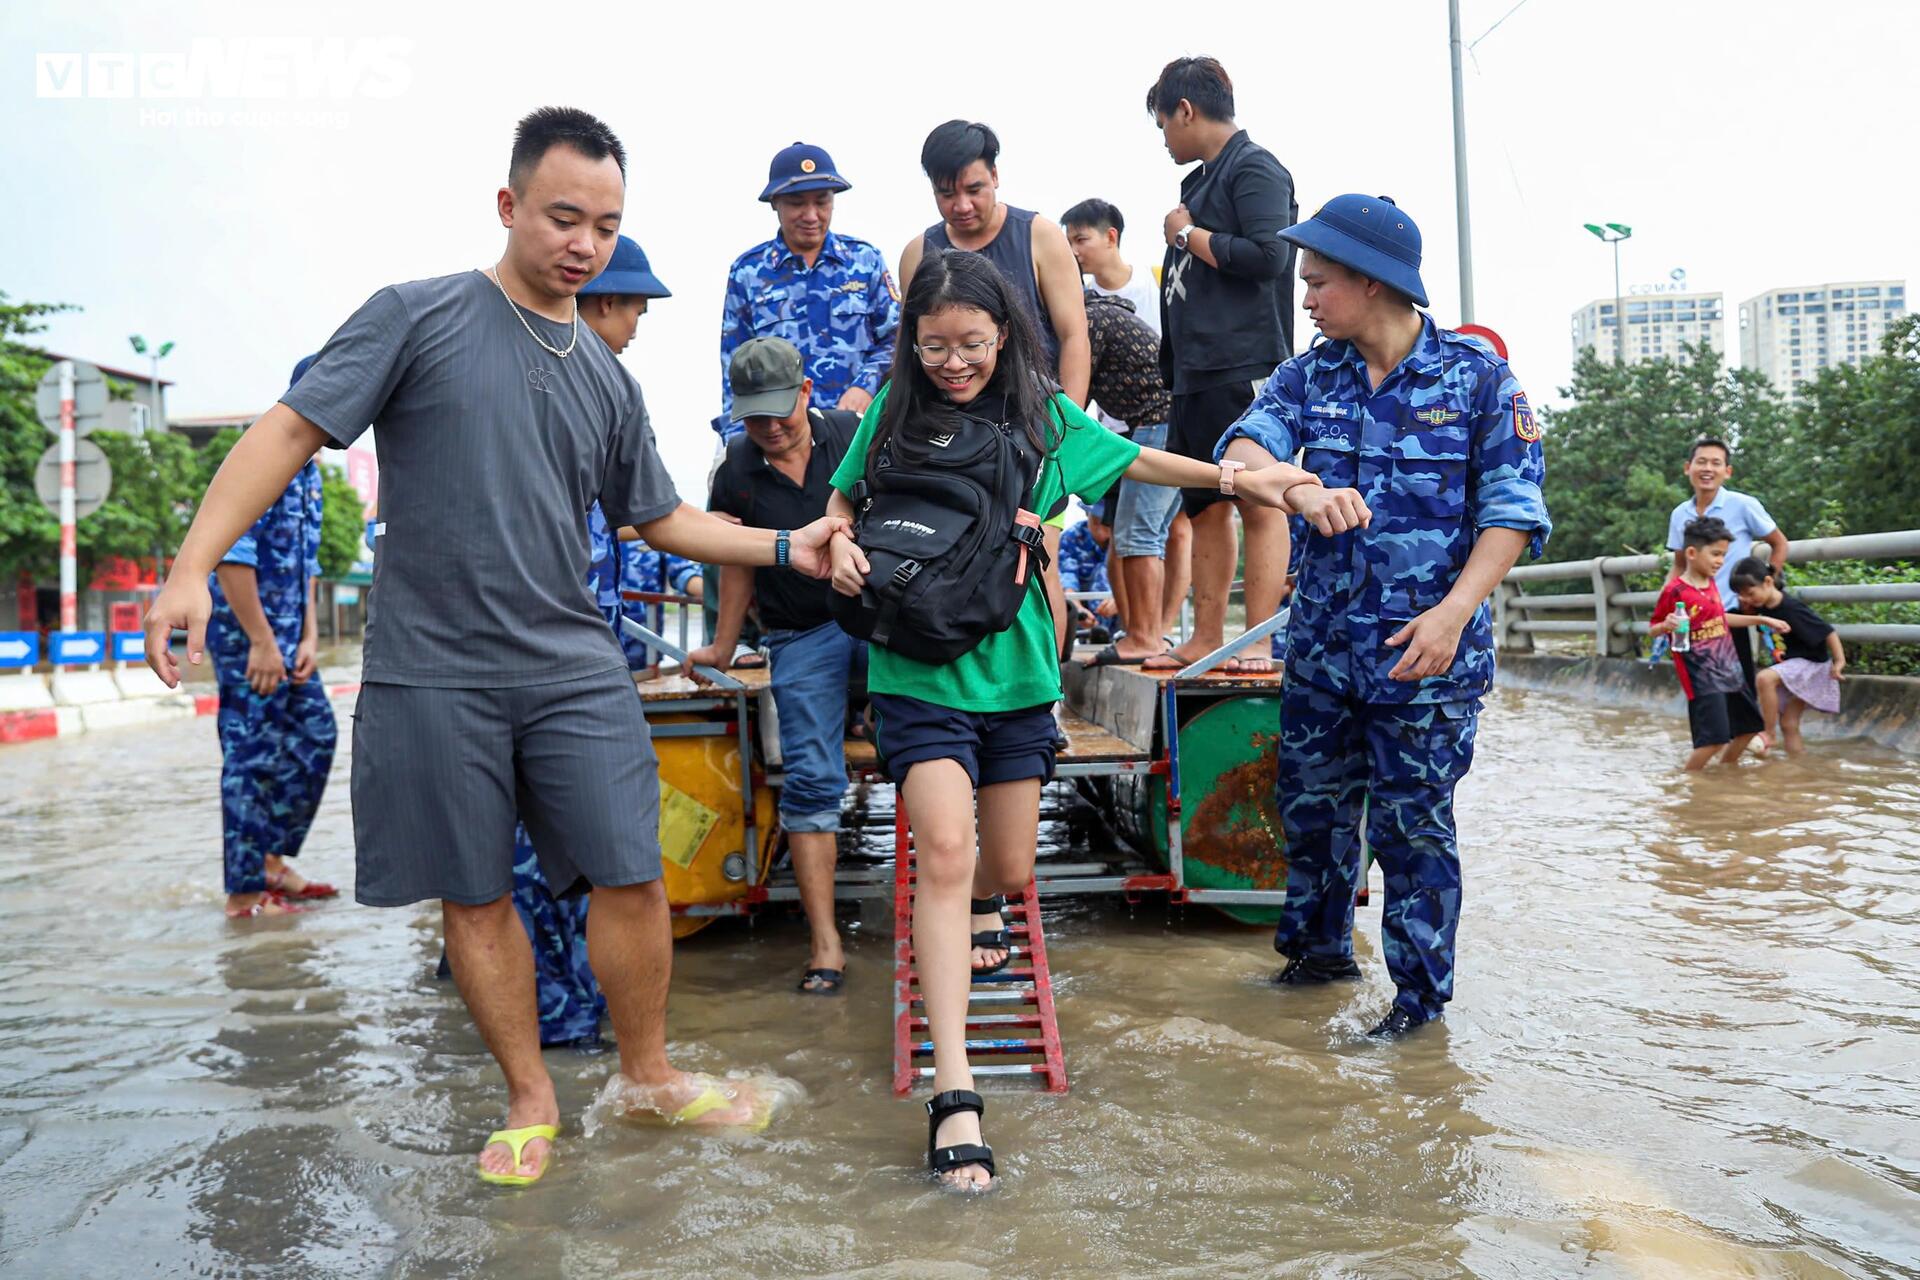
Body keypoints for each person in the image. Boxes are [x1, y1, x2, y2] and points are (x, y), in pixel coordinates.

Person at [143, 107, 850, 1188]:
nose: (586, 243)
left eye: (606, 225)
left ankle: (650, 1073)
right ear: (510, 204)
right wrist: (192, 567)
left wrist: (785, 541)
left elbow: (657, 517)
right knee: (474, 892)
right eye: (566, 217)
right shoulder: (415, 317)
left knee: (632, 869)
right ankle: (530, 1095)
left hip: (569, 662)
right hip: (434, 668)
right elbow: (288, 429)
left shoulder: (607, 378)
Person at [825, 248, 1344, 1190]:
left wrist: (1241, 481)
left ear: (1004, 336)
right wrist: (836, 548)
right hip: (914, 668)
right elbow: (839, 499)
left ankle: (985, 903)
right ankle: (955, 1095)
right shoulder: (890, 413)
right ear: (912, 341)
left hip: (1018, 675)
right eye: (934, 345)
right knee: (942, 852)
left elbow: (1139, 456)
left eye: (971, 344)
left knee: (1008, 867)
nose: (953, 363)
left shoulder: (1041, 415)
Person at [1215, 194, 1551, 1040]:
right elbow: (1243, 449)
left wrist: (1453, 614)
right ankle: (1317, 958)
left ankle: (1417, 1007)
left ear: (1371, 282)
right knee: (1311, 815)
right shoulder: (1308, 374)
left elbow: (1512, 514)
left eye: (1319, 282)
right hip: (1324, 653)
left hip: (1424, 658)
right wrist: (1300, 485)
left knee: (1413, 831)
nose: (1307, 298)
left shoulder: (1479, 380)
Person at [688, 337, 866, 995]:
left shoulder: (853, 435)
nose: (768, 427)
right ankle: (826, 945)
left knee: (934, 749)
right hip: (800, 632)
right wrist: (723, 642)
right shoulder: (735, 468)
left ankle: (962, 908)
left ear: (806, 394)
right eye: (754, 415)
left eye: (779, 411)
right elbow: (735, 559)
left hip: (877, 617)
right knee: (813, 782)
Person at [1149, 56, 1299, 673]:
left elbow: (1270, 255)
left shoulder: (1256, 168)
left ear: (1186, 110)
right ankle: (1206, 636)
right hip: (1194, 374)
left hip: (1246, 365)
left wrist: (1186, 237)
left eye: (1163, 123)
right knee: (1205, 505)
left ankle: (1257, 640)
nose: (1163, 138)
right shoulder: (1198, 184)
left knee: (1259, 500)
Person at [207, 354, 338, 919]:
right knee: (252, 757)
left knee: (316, 735)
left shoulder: (310, 469)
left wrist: (309, 635)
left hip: (290, 639)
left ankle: (269, 861)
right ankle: (243, 893)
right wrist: (261, 640)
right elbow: (229, 557)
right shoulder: (263, 455)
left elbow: (307, 564)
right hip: (249, 638)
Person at [715, 141, 899, 440]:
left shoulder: (866, 261)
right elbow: (735, 365)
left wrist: (864, 386)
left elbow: (897, 338)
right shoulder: (748, 272)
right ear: (776, 203)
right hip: (780, 437)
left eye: (822, 201)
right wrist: (737, 441)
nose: (811, 215)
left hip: (859, 432)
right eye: (798, 203)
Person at [900, 120, 1089, 404]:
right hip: (947, 424)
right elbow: (908, 346)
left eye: (974, 190)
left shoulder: (1041, 237)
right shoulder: (917, 253)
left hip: (1031, 414)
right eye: (947, 194)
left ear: (995, 175)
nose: (962, 206)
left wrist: (1067, 426)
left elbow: (1073, 336)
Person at [1076, 282, 1183, 665]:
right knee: (1141, 535)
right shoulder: (1106, 313)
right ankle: (1148, 634)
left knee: (1137, 535)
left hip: (1159, 423)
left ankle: (1143, 637)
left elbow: (1071, 401)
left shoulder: (1089, 319)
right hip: (1166, 423)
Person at [1650, 519, 1780, 771]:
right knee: (1713, 740)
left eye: (1724, 555)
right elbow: (1654, 627)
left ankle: (1724, 775)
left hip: (1730, 670)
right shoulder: (1675, 592)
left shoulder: (1710, 584)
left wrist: (1760, 618)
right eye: (1716, 554)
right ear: (1691, 553)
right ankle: (1689, 782)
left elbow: (1719, 618)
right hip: (1702, 677)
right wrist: (1666, 625)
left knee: (1749, 729)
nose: (1721, 561)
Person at [1664, 437, 1789, 694]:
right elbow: (1679, 565)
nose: (1707, 469)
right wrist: (1665, 605)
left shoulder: (1743, 505)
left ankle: (1749, 735)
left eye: (1715, 463)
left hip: (1731, 614)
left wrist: (1766, 587)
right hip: (1693, 620)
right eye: (1701, 462)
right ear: (1688, 468)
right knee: (1702, 695)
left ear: (1727, 471)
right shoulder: (1679, 514)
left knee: (1738, 694)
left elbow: (1779, 544)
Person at [1731, 556, 1845, 754]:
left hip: (1812, 665)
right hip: (1797, 665)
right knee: (1789, 724)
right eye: (1742, 596)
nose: (1747, 600)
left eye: (1750, 594)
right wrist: (1749, 608)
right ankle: (1797, 770)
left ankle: (1768, 734)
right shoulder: (1761, 607)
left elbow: (1828, 631)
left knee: (1765, 678)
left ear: (1768, 582)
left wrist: (1839, 661)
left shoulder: (1791, 608)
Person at [1056, 502, 1117, 648]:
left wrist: (1121, 601)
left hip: (1123, 621)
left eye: (1108, 524)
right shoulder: (1072, 537)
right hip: (1085, 623)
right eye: (1097, 523)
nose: (1102, 531)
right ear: (1087, 515)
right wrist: (1077, 609)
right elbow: (1067, 578)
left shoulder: (1130, 538)